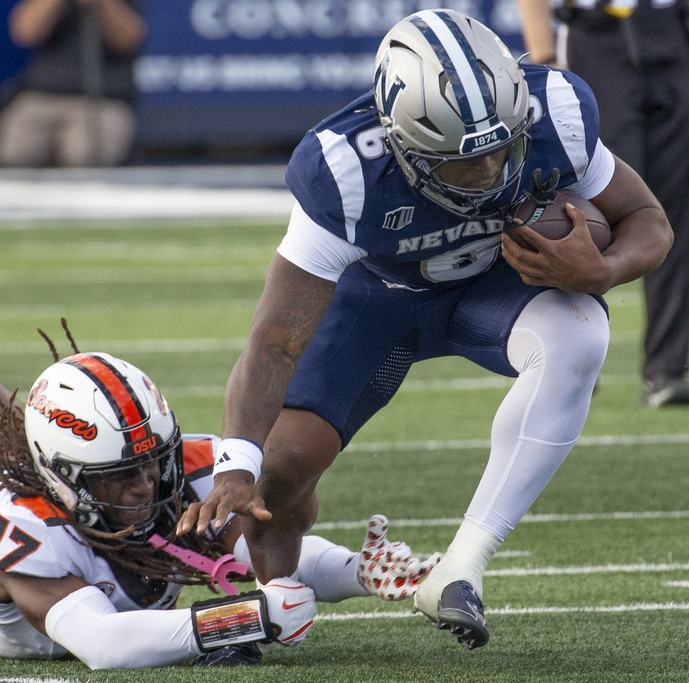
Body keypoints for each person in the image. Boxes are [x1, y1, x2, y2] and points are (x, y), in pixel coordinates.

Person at [177, 8, 673, 651]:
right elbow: (275, 337)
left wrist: (601, 270)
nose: (491, 173)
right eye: (465, 165)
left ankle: (461, 567)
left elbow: (647, 219)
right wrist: (234, 463)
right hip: (376, 304)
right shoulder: (347, 171)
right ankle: (279, 593)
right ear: (402, 143)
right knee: (281, 470)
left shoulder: (553, 112)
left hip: (493, 290)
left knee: (581, 331)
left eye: (502, 150)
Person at [0, 233, 440, 669]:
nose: (146, 485)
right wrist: (248, 620)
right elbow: (101, 644)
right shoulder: (26, 533)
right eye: (120, 476)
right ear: (64, 478)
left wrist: (363, 573)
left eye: (154, 462)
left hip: (58, 510)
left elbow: (260, 550)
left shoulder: (176, 474)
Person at [516, 0, 689, 407]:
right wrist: (543, 53)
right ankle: (565, 357)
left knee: (677, 205)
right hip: (596, 33)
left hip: (672, 29)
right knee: (587, 206)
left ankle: (666, 368)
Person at [0, 0, 144, 168]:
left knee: (83, 152)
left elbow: (129, 38)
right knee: (15, 151)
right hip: (43, 95)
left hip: (103, 99)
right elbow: (24, 33)